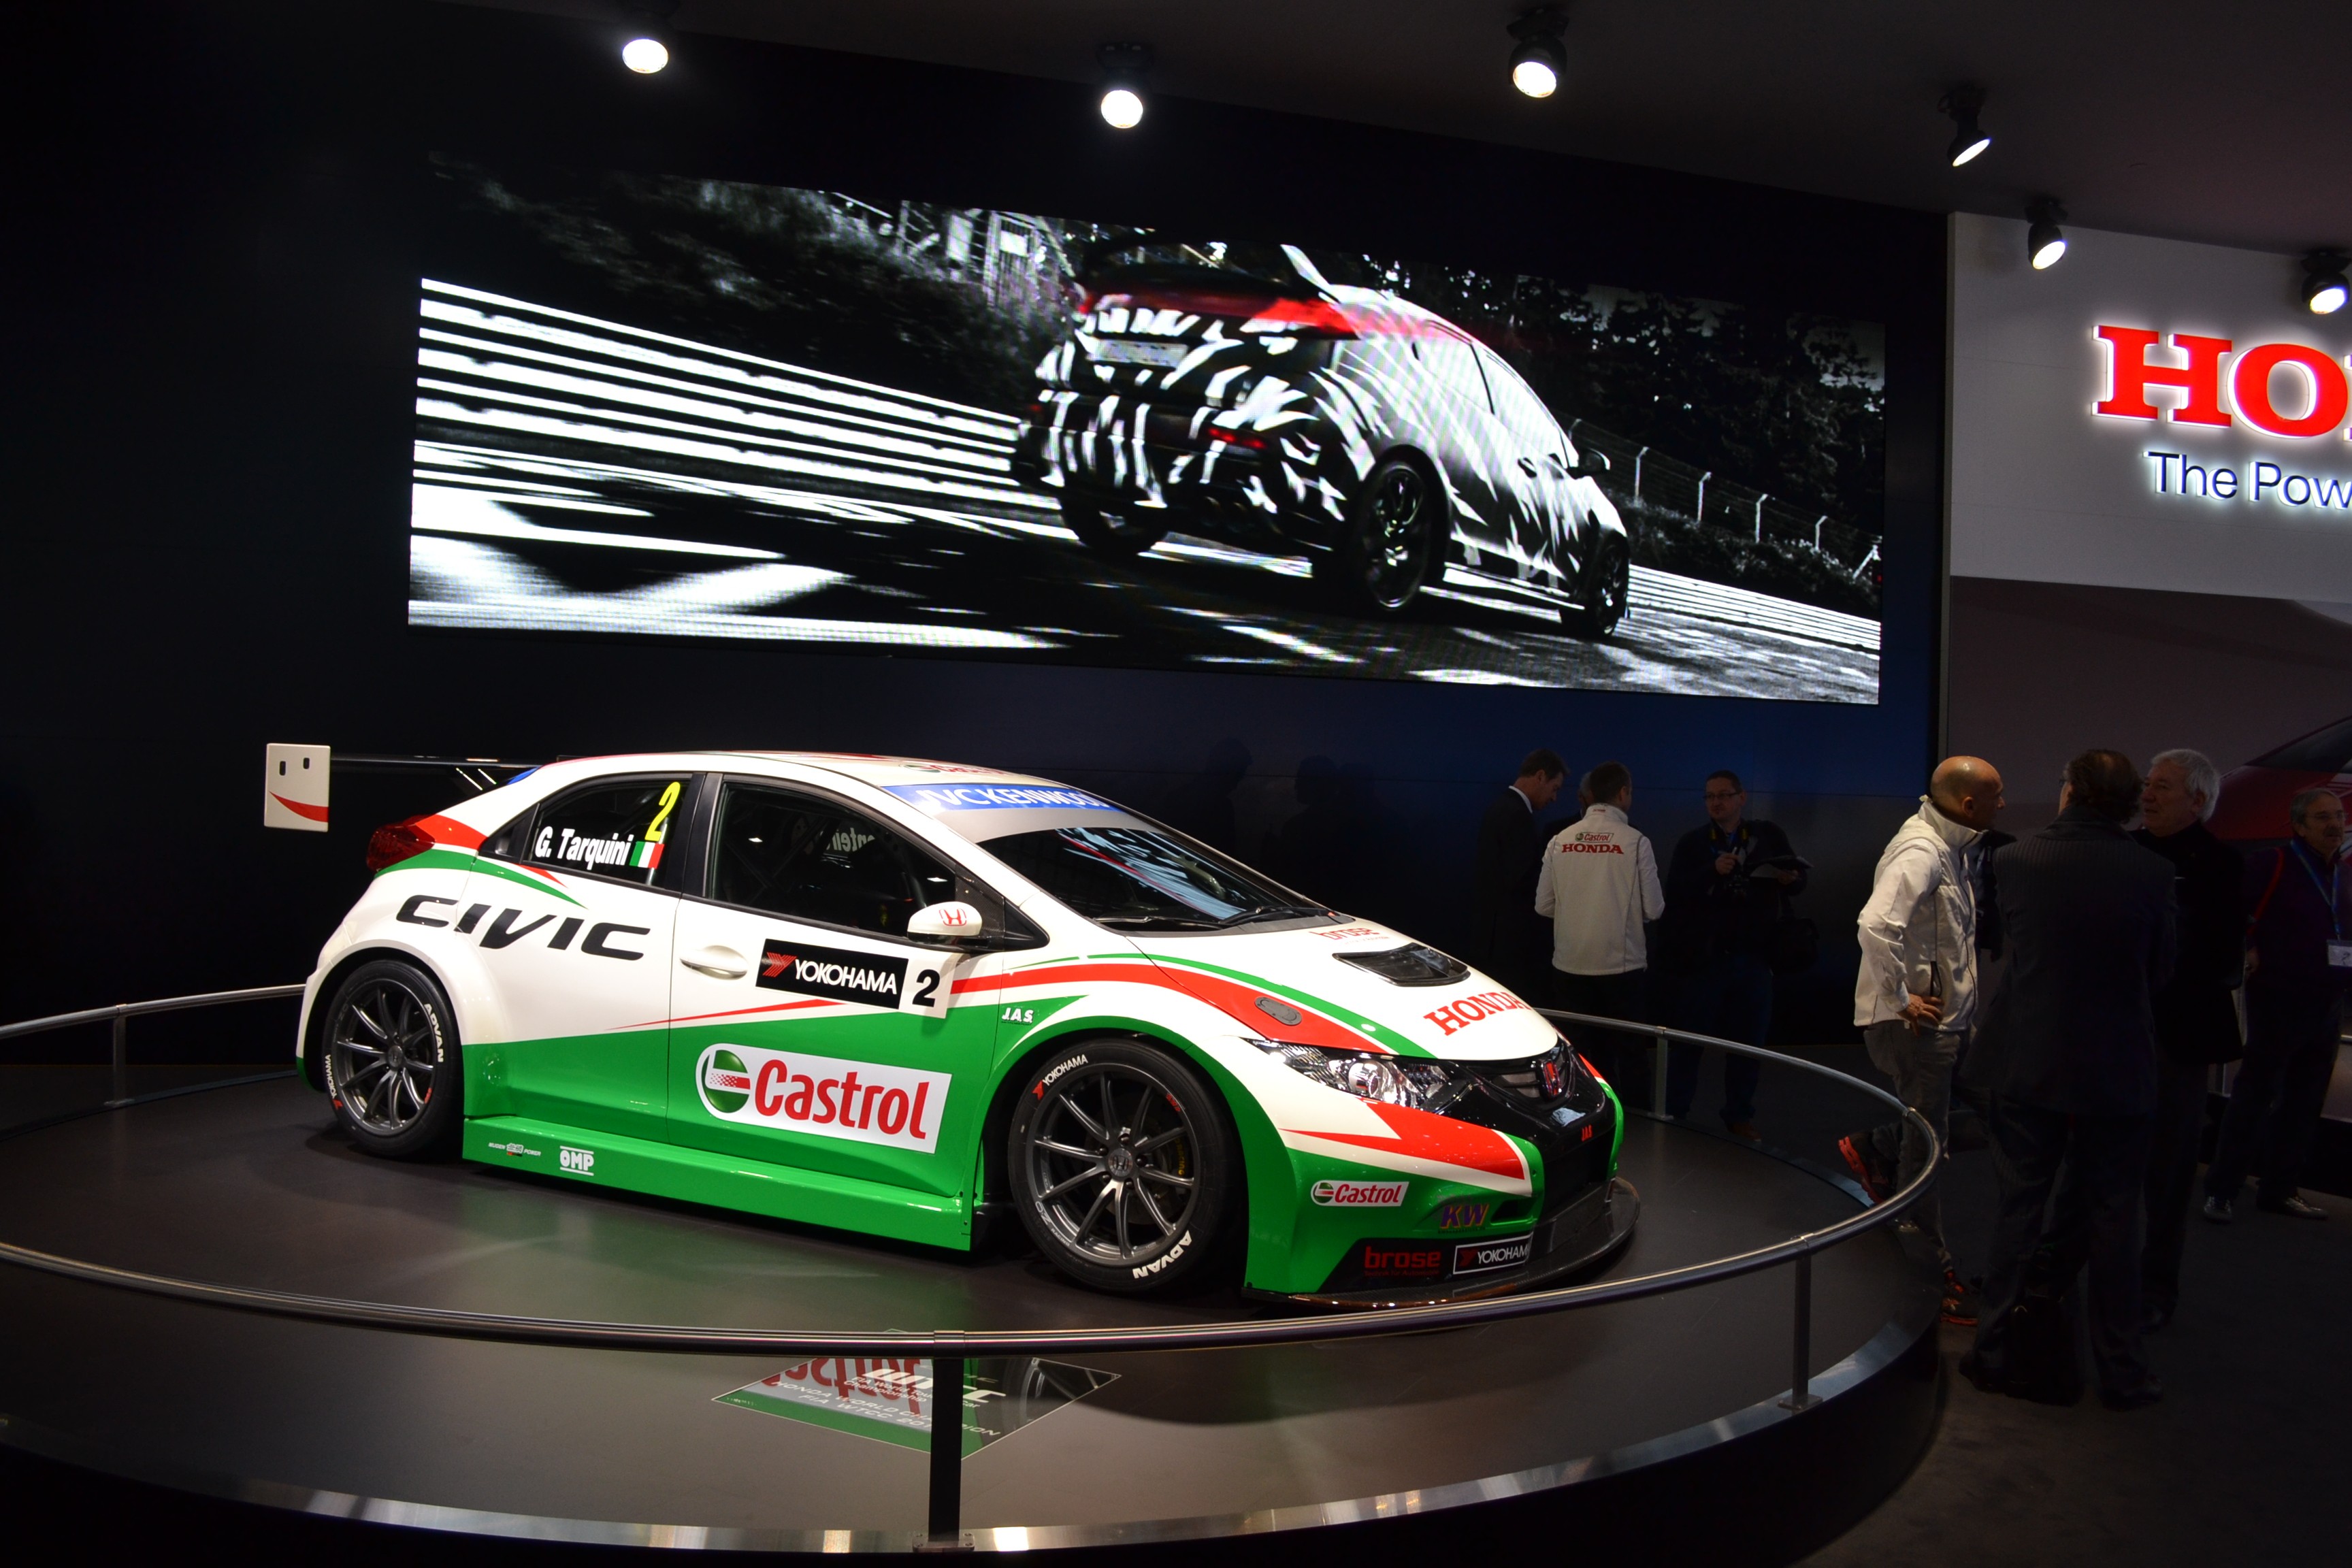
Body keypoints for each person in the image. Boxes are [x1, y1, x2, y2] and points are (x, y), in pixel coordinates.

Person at [1964, 750, 2175, 1410]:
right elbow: (2160, 971)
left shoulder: (2014, 859)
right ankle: (2122, 1371)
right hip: (2117, 1065)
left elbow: (2014, 949)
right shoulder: (2153, 871)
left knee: (2019, 1209)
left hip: (2028, 1059)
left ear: (2072, 791)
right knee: (2115, 1219)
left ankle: (1993, 1351)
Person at [1840, 755, 2003, 1322]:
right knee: (1927, 1154)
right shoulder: (1921, 851)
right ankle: (1928, 1271)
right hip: (1917, 1028)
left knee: (1997, 1118)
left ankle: (1880, 1145)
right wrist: (1901, 997)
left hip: (1949, 1024)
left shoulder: (1951, 848)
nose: (2004, 805)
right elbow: (1874, 925)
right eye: (1996, 795)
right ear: (1968, 803)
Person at [2132, 749, 2245, 1328]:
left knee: (2170, 1175)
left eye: (2163, 787)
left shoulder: (2222, 865)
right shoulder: (2125, 852)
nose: (2147, 795)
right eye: (2148, 784)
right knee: (2099, 1168)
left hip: (2179, 1039)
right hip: (2116, 1033)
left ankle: (2156, 1290)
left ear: (2198, 800)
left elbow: (2222, 958)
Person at [2202, 787, 2351, 1224]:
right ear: (2299, 826)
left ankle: (2280, 1189)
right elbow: (2228, 909)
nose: (2335, 824)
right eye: (2323, 817)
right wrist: (2248, 946)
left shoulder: (2344, 875)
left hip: (2329, 1003)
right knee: (2255, 1096)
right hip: (2278, 1000)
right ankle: (2222, 1190)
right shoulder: (2274, 863)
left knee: (2305, 1102)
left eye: (2339, 816)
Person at [1660, 770, 1806, 1140]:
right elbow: (1674, 892)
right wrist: (1712, 870)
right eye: (1710, 796)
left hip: (1754, 957)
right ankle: (1675, 1112)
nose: (1716, 803)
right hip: (1705, 959)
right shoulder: (1694, 843)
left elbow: (1799, 880)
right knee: (1688, 1042)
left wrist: (1791, 879)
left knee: (1748, 1043)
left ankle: (1739, 1115)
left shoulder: (1766, 835)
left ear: (1742, 798)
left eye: (1724, 795)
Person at [1535, 761, 1665, 1089]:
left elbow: (1543, 906)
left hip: (1569, 968)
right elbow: (1655, 909)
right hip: (1622, 970)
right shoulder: (1636, 841)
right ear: (1623, 793)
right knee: (1631, 1055)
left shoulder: (1560, 840)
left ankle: (1585, 1113)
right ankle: (1636, 1117)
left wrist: (1577, 914)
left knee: (1580, 1058)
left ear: (1590, 795)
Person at [1471, 749, 1567, 994]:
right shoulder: (1518, 816)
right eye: (1555, 788)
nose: (1554, 798)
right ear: (1540, 776)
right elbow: (1522, 880)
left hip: (1489, 935)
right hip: (1510, 941)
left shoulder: (1498, 808)